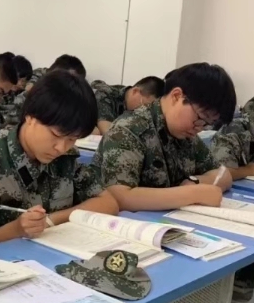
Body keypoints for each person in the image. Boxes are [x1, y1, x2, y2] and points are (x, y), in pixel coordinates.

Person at [0, 70, 118, 246]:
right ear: (30, 117)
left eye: (72, 139)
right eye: (56, 135)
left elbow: (108, 203)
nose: (61, 148)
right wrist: (14, 230)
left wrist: (51, 220)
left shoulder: (65, 158)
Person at [94, 63, 236, 211]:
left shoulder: (187, 136)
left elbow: (223, 175)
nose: (200, 128)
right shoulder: (128, 129)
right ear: (176, 96)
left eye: (208, 124)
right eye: (200, 118)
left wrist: (195, 182)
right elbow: (119, 197)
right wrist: (191, 194)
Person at [93, 75, 165, 134]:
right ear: (135, 91)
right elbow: (107, 131)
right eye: (145, 105)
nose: (145, 111)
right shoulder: (106, 94)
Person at [0, 55, 33, 127]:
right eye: (19, 79)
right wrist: (25, 94)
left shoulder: (18, 91)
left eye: (24, 81)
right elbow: (4, 119)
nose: (20, 83)